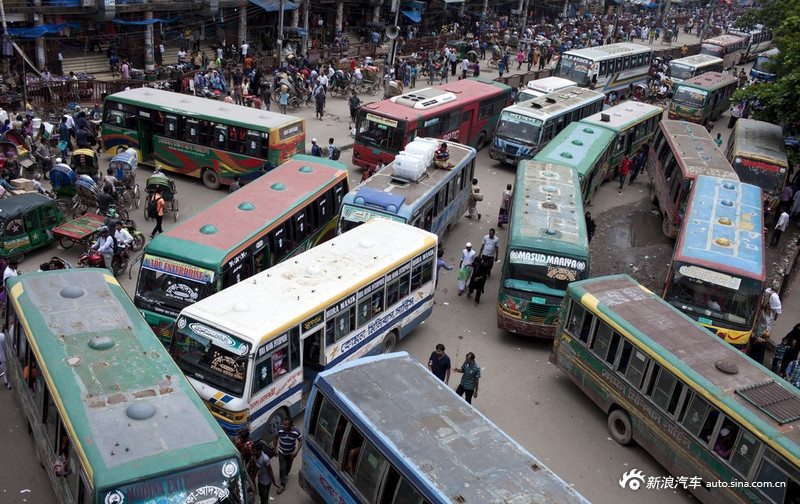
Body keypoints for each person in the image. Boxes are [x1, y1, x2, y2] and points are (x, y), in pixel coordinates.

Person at [273, 419, 303, 493]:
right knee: (282, 468)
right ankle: (283, 485)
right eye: (283, 424)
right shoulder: (280, 429)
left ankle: (286, 474)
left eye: (286, 425)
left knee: (288, 467)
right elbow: (275, 438)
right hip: (282, 452)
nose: (284, 426)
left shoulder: (296, 432)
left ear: (291, 425)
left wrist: (296, 452)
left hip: (291, 453)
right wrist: (275, 449)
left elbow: (301, 441)